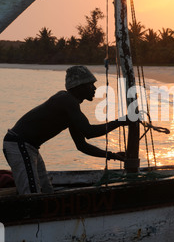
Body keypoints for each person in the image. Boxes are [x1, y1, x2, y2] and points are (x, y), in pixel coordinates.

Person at [3, 65, 128, 195]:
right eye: (91, 84)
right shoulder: (66, 100)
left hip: (29, 147)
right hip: (19, 145)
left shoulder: (71, 108)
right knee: (31, 195)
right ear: (79, 87)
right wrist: (120, 122)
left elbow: (82, 145)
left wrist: (113, 156)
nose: (95, 88)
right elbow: (89, 132)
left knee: (46, 190)